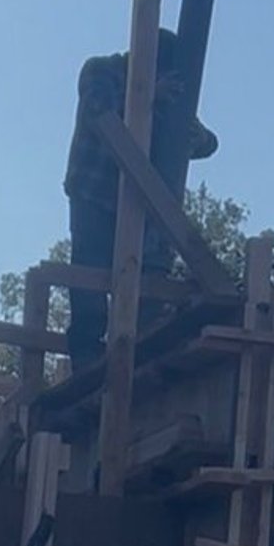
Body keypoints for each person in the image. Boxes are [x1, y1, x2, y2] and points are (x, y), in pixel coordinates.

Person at [62, 34, 217, 370]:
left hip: (138, 201)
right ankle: (87, 353)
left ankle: (142, 340)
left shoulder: (161, 91)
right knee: (90, 273)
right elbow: (99, 113)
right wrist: (148, 97)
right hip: (94, 192)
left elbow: (205, 141)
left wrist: (199, 138)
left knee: (144, 274)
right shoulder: (102, 70)